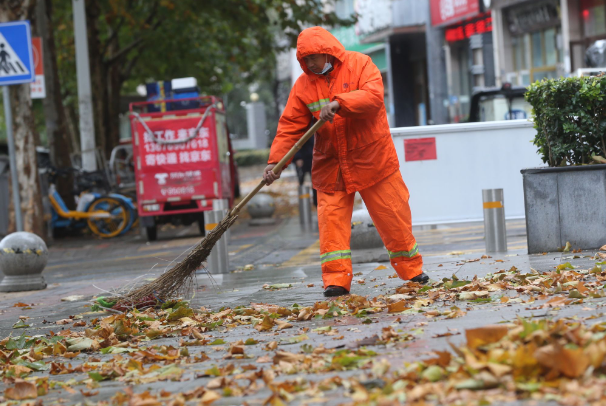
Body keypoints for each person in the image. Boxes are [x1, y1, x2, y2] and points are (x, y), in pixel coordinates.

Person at [264, 26, 429, 297]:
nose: (310, 64)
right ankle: (336, 280)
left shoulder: (360, 64)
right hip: (331, 164)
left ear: (328, 52)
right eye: (305, 60)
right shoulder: (303, 85)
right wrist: (275, 163)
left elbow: (373, 98)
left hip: (372, 157)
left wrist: (341, 103)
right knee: (331, 226)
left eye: (313, 57)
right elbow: (290, 126)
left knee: (393, 216)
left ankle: (412, 270)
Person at [293, 124, 317, 206]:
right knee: (301, 182)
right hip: (303, 158)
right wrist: (297, 157)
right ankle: (303, 205)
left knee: (316, 182)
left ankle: (316, 202)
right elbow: (294, 139)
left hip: (315, 157)